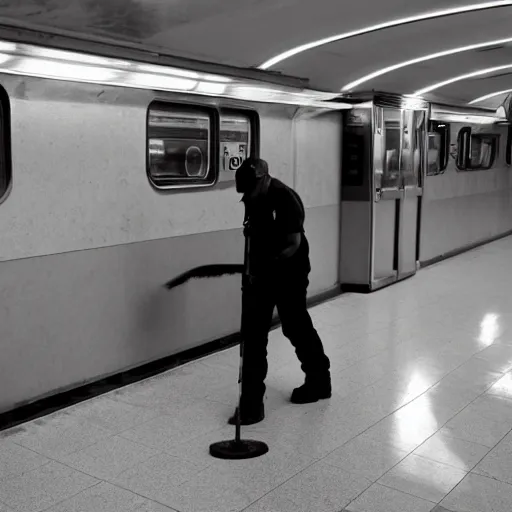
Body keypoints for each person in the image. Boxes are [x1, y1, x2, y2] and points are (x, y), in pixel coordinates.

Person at [229, 157, 331, 426]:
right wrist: (252, 271)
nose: (247, 195)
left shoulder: (285, 198)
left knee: (295, 326)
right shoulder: (252, 197)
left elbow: (292, 244)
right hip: (261, 274)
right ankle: (251, 404)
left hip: (290, 273)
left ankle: (319, 381)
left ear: (264, 178)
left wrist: (267, 267)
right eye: (244, 191)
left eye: (251, 188)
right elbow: (253, 235)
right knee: (253, 335)